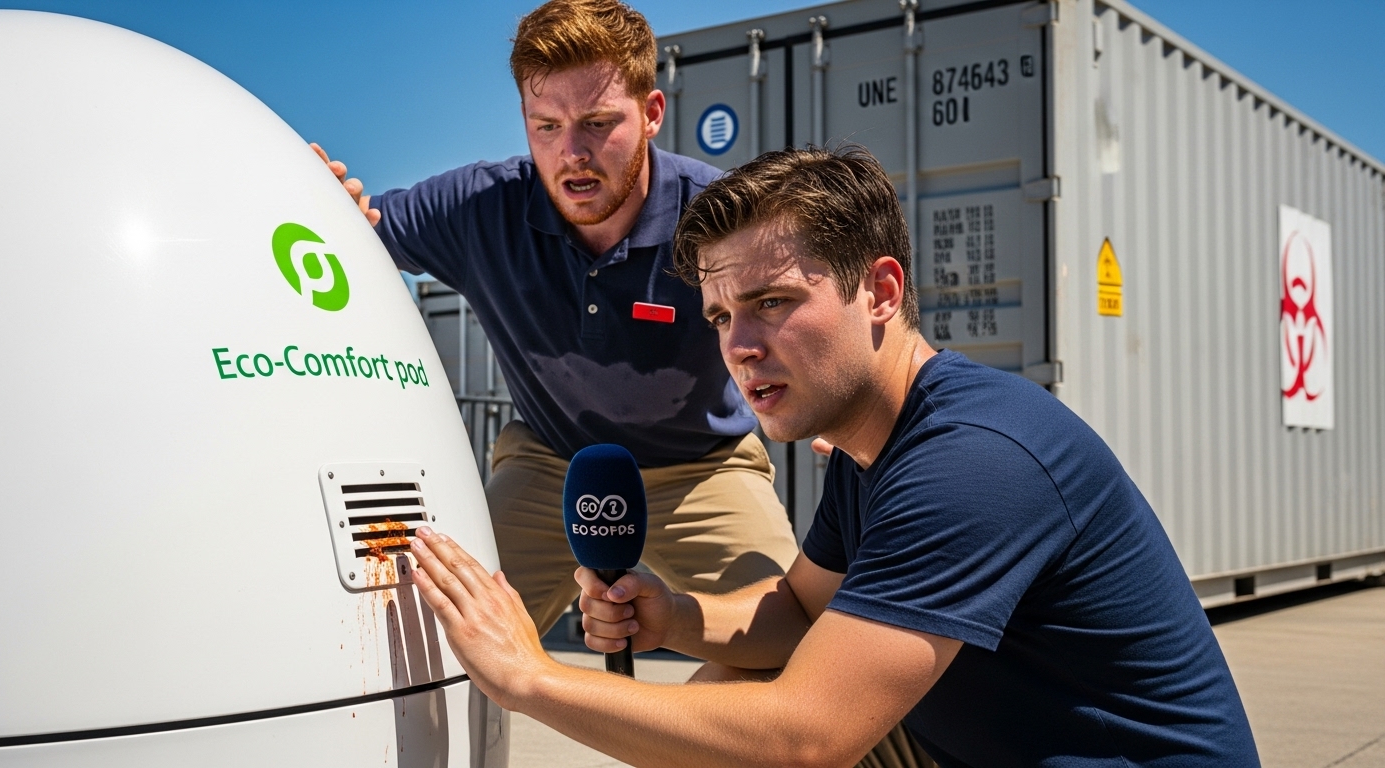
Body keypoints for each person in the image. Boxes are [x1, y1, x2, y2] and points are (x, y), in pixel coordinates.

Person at [403, 145, 1262, 767]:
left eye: (773, 301)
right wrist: (675, 615)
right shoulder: (874, 447)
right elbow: (796, 609)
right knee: (726, 687)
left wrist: (529, 677)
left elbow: (805, 740)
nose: (738, 345)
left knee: (752, 730)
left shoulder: (974, 460)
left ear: (880, 291)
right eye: (719, 317)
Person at [312, 0, 798, 638]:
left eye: (598, 123)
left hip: (702, 467)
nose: (572, 153)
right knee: (434, 638)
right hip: (551, 463)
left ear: (652, 113)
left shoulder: (720, 214)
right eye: (546, 125)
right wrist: (320, 202)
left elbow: (804, 310)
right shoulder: (478, 208)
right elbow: (347, 239)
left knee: (792, 640)